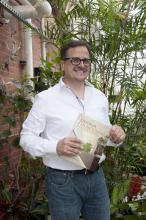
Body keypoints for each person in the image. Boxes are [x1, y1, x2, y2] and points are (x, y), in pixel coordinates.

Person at [20, 40, 126, 220]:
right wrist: (56, 147)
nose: (82, 65)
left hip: (96, 176)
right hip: (62, 181)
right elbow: (26, 139)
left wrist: (116, 137)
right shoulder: (46, 99)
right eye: (75, 60)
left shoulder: (99, 97)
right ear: (63, 64)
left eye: (86, 61)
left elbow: (105, 136)